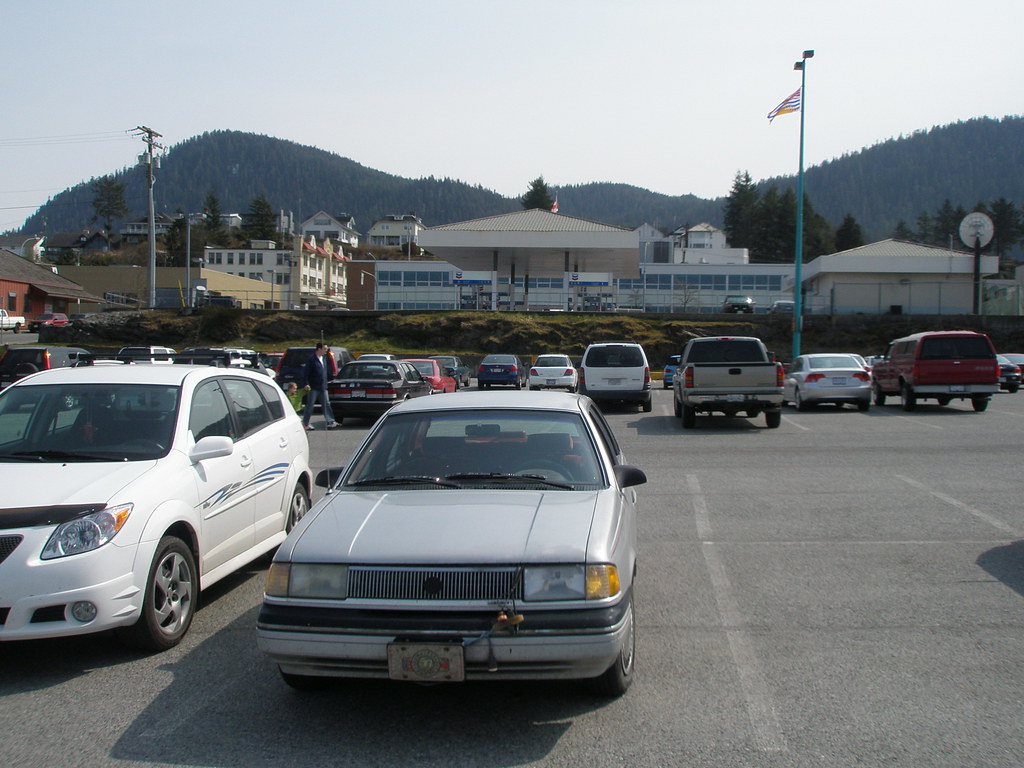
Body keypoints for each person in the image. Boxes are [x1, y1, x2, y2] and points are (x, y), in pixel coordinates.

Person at [302, 343, 337, 430]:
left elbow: (325, 372)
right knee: (310, 405)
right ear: (319, 349)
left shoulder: (324, 359)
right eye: (324, 349)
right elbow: (306, 372)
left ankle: (330, 421)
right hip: (314, 386)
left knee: (326, 404)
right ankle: (305, 423)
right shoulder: (312, 359)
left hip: (323, 386)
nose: (326, 351)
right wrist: (306, 383)